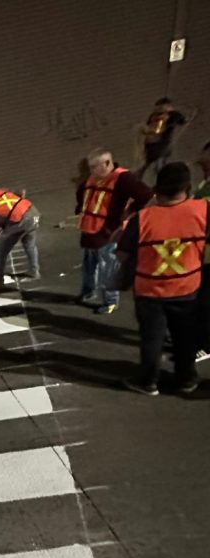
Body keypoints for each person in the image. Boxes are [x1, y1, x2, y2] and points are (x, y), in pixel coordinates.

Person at [117, 162, 208, 395]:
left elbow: (122, 254)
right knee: (184, 336)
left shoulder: (142, 218)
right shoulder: (202, 210)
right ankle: (187, 379)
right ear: (186, 186)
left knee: (152, 338)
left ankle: (147, 381)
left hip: (150, 290)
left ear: (157, 188)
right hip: (187, 288)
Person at [75, 148, 152, 315]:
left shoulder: (123, 178)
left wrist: (129, 211)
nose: (92, 171)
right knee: (89, 266)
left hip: (109, 232)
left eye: (95, 166)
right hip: (90, 230)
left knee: (107, 269)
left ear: (108, 163)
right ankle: (88, 292)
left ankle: (110, 301)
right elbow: (82, 194)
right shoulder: (92, 179)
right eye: (90, 167)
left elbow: (145, 194)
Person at [136, 98, 187, 181]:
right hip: (150, 155)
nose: (159, 116)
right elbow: (151, 132)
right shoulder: (154, 121)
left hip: (160, 155)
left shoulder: (169, 121)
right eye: (158, 113)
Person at [194, 140, 210, 362]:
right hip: (200, 253)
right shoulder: (203, 185)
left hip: (207, 254)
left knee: (205, 301)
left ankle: (206, 345)